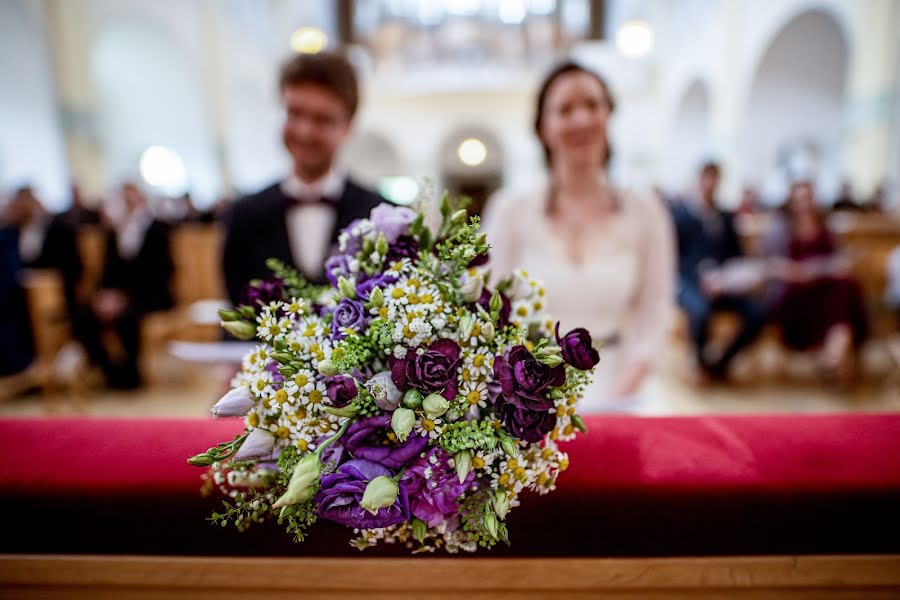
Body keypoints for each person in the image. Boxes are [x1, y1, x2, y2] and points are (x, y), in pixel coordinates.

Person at [482, 61, 675, 412]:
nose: (581, 119)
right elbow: (491, 311)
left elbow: (656, 309)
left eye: (591, 105)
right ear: (543, 127)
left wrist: (626, 388)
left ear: (608, 115)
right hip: (529, 398)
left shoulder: (645, 210)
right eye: (565, 109)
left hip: (623, 387)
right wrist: (524, 390)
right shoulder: (511, 211)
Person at [223, 52, 384, 305]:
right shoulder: (244, 215)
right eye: (295, 113)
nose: (304, 131)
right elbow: (236, 318)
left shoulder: (379, 215)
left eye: (322, 119)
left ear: (348, 126)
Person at [670, 162, 767, 382]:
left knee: (756, 312)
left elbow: (736, 255)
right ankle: (702, 364)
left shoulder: (725, 217)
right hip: (690, 284)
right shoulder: (681, 216)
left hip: (723, 285)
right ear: (698, 180)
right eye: (707, 178)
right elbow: (673, 259)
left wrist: (731, 278)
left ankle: (720, 364)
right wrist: (700, 278)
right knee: (700, 311)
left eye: (715, 179)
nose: (710, 184)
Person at [74, 183, 173, 389]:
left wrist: (124, 298)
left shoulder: (157, 229)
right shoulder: (113, 232)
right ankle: (108, 370)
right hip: (117, 295)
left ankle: (131, 375)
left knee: (128, 317)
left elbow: (162, 272)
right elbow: (106, 271)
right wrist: (104, 296)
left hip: (150, 295)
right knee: (84, 315)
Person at [767, 181, 868, 383]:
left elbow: (838, 260)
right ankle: (835, 354)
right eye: (799, 199)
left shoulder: (824, 226)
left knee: (845, 285)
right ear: (791, 201)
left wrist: (830, 265)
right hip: (795, 296)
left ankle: (834, 352)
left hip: (825, 293)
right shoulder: (781, 228)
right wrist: (805, 271)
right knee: (843, 290)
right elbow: (773, 265)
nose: (804, 204)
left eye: (808, 198)